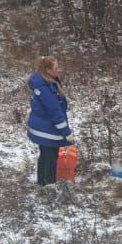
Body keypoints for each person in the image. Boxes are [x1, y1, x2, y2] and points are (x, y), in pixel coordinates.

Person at [27, 55, 74, 186]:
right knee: (50, 159)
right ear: (47, 70)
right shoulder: (45, 88)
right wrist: (66, 133)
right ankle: (49, 187)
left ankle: (41, 183)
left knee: (44, 155)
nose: (58, 70)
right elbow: (54, 112)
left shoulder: (43, 81)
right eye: (56, 68)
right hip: (47, 130)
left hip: (41, 126)